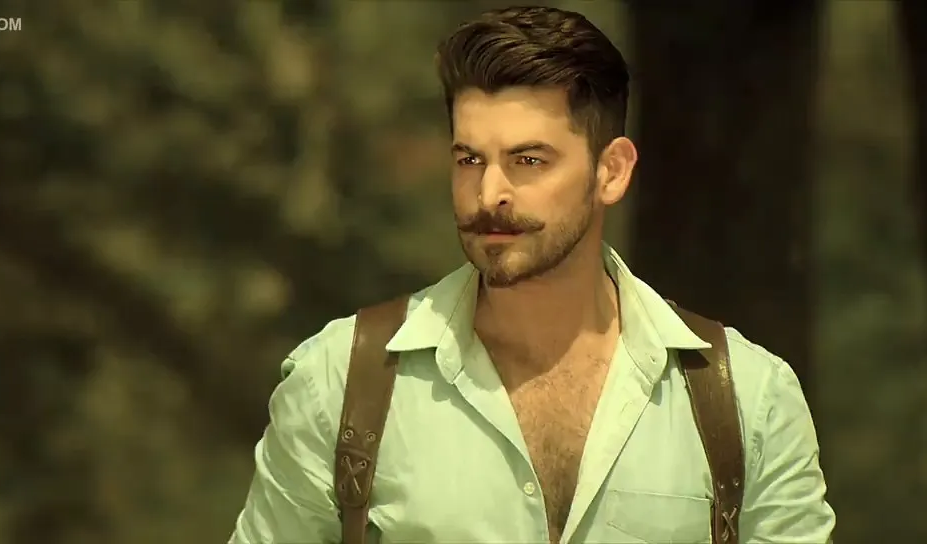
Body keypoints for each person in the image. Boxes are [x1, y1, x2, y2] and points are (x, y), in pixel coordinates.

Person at [228, 5, 834, 544]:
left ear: (612, 172)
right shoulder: (342, 383)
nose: (489, 192)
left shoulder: (745, 400)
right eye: (470, 159)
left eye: (528, 160)